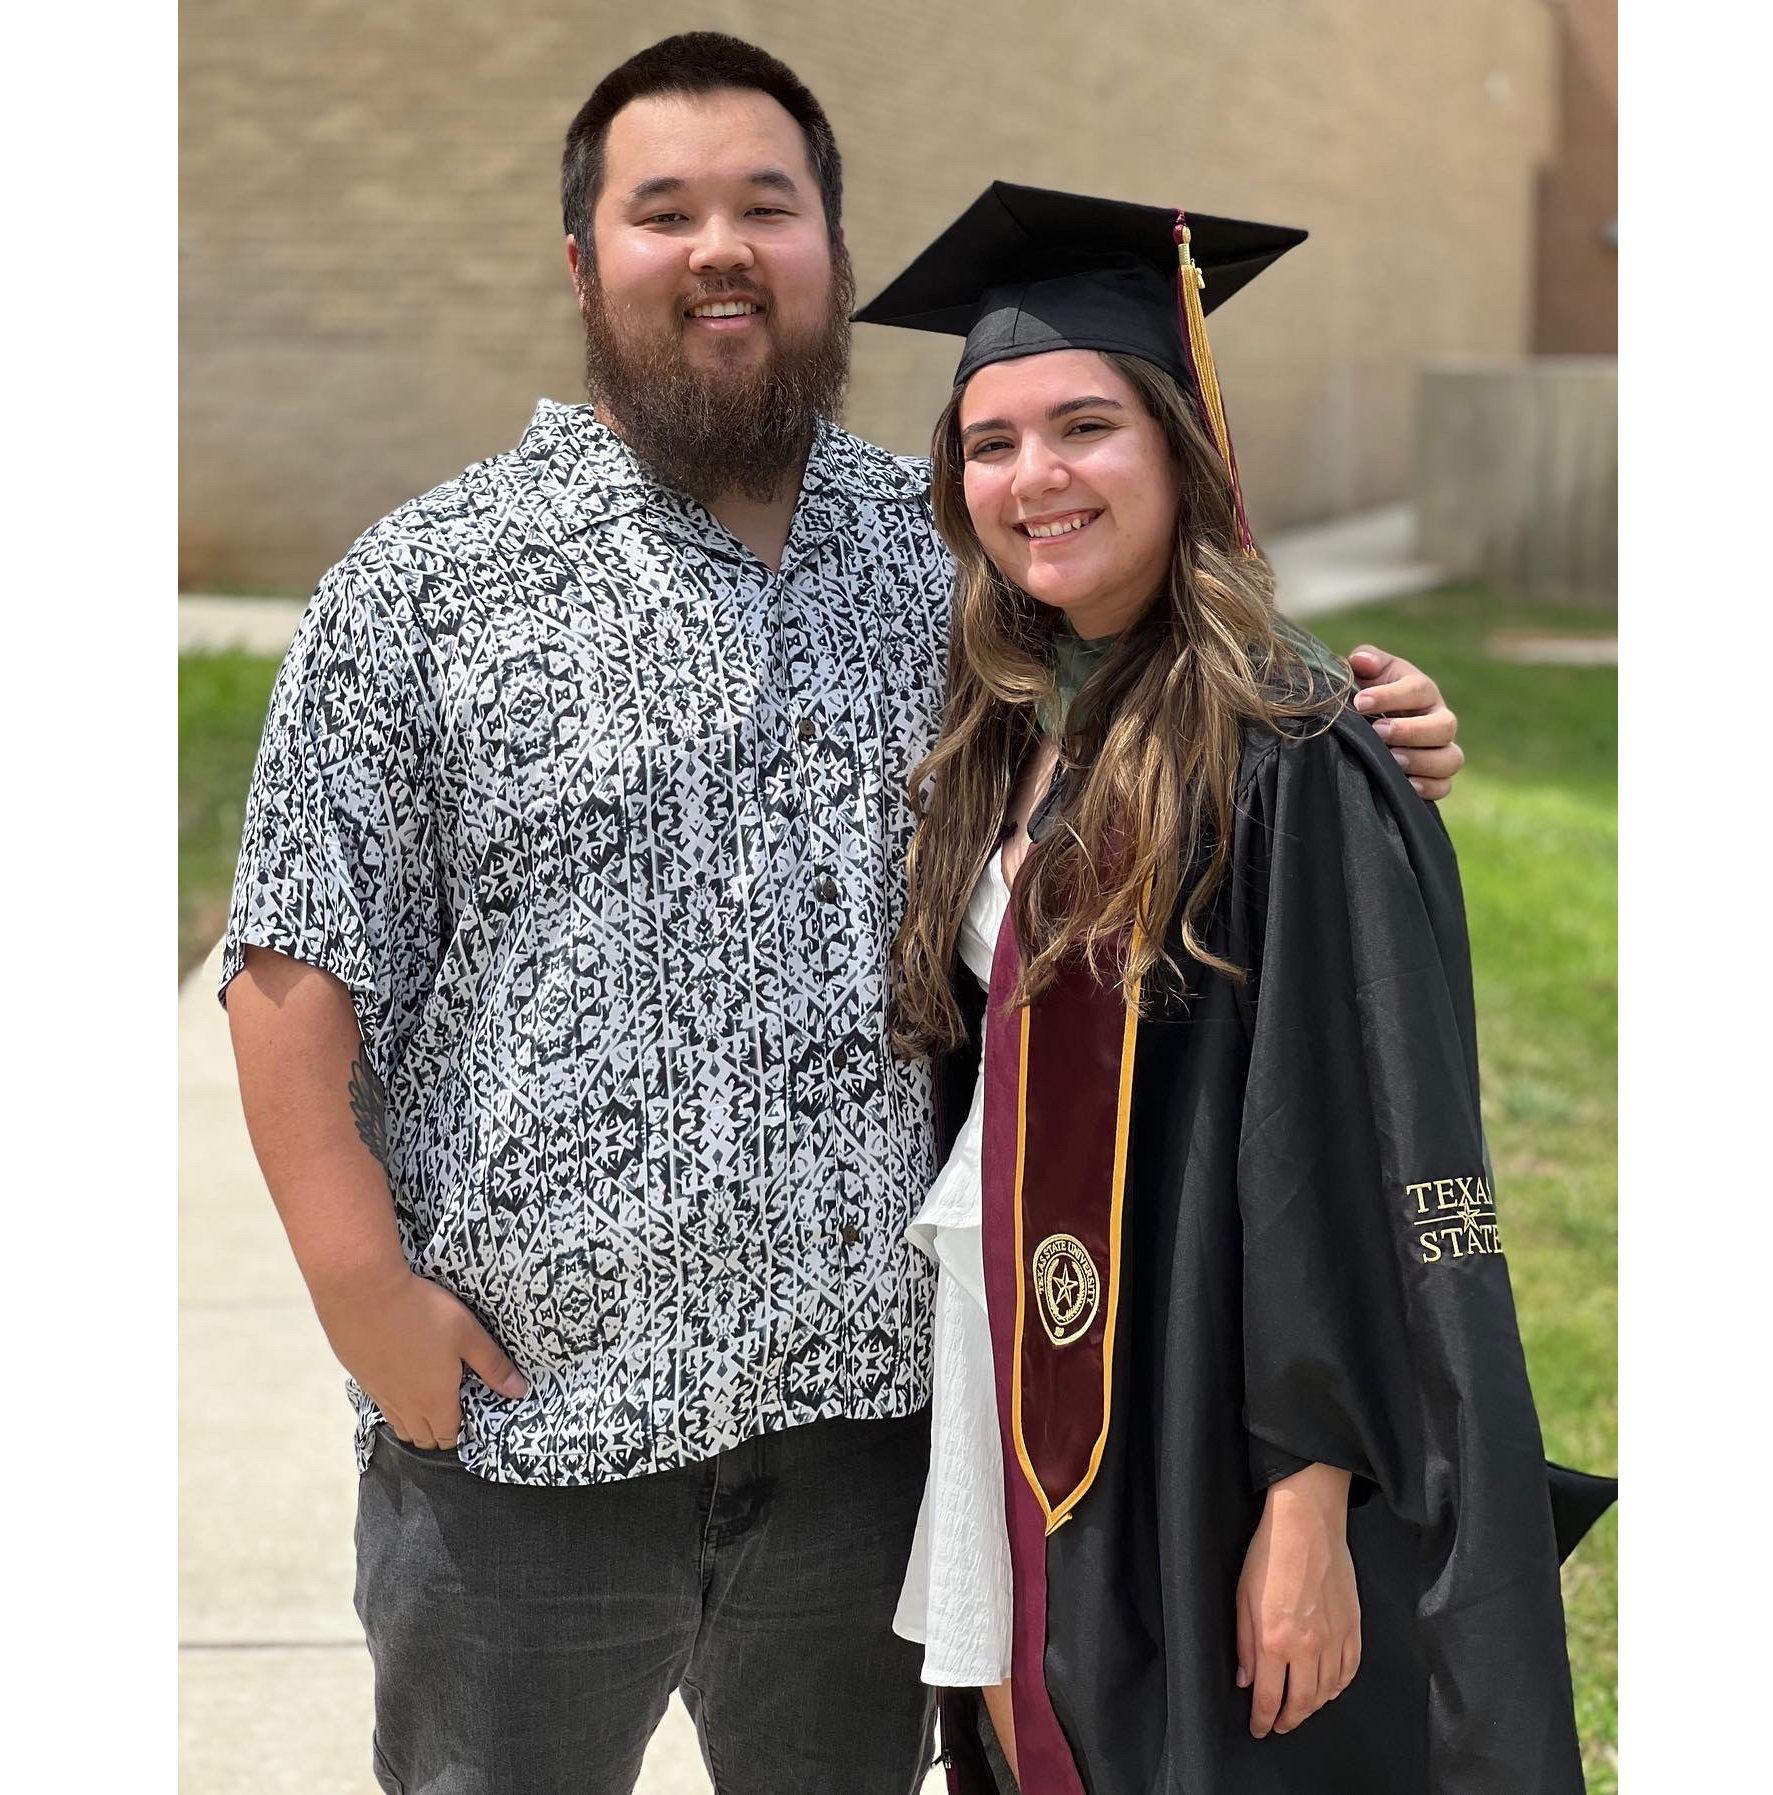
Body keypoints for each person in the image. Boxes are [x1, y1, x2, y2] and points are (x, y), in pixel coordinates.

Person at [219, 39, 1469, 1795]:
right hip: (522, 1454)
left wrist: (1358, 731)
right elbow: (291, 970)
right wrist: (366, 1304)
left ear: (832, 252)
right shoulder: (423, 586)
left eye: (767, 207)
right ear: (586, 264)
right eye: (665, 212)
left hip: (872, 1451)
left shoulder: (951, 551)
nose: (720, 246)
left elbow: (1169, 723)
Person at [863, 184, 1615, 1793]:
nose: (1034, 478)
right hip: (1014, 1343)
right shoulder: (1001, 730)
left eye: (1084, 426)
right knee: (1027, 1727)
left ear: (1184, 449)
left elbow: (1352, 1134)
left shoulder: (1292, 752)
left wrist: (1310, 1500)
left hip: (1205, 1383)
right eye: (991, 445)